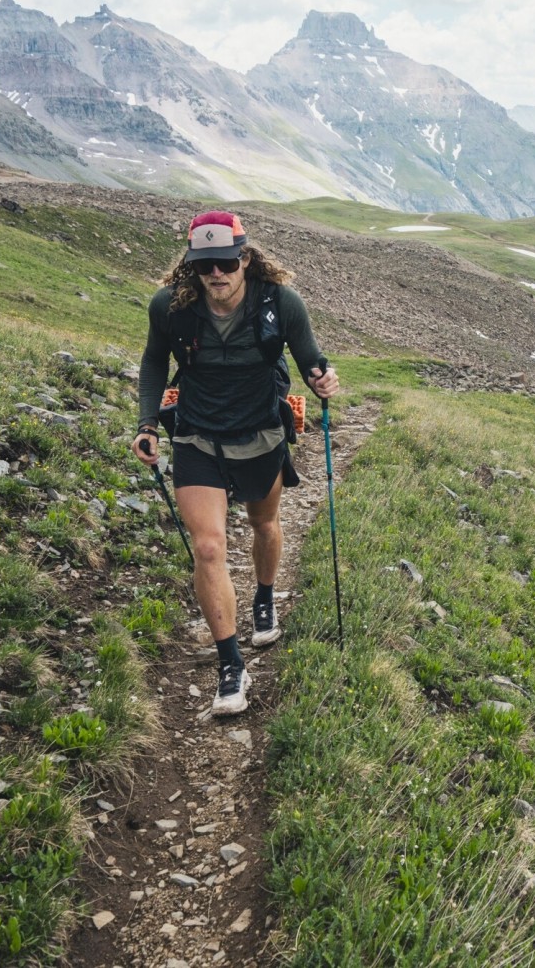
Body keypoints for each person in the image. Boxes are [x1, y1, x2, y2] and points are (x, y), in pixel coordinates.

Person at [131, 211, 339, 716]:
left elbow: (310, 358)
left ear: (244, 258)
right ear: (192, 265)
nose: (215, 273)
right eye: (204, 265)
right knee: (208, 547)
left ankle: (264, 597)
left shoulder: (280, 303)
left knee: (264, 523)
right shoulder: (170, 306)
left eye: (225, 262)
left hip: (261, 432)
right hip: (197, 435)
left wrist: (322, 379)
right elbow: (155, 360)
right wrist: (147, 424)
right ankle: (231, 664)